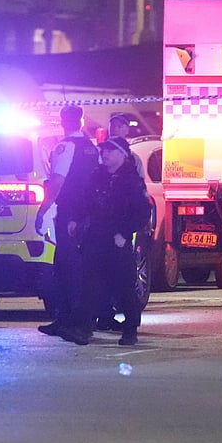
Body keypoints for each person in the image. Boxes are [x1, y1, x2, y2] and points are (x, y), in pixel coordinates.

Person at [62, 136, 151, 346]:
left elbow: (142, 211)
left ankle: (130, 330)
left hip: (117, 240)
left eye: (110, 151)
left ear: (122, 154)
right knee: (90, 284)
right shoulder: (97, 177)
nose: (105, 155)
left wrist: (125, 233)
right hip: (95, 238)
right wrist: (74, 220)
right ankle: (83, 329)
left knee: (124, 286)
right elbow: (83, 201)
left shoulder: (132, 181)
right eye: (103, 151)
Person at [35, 105, 101, 339]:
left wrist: (43, 210)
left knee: (66, 268)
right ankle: (68, 320)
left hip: (69, 213)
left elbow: (57, 181)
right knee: (77, 268)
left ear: (64, 122)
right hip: (88, 215)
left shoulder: (65, 147)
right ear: (81, 122)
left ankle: (71, 321)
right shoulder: (92, 149)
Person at [94, 113, 150, 332]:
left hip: (123, 230)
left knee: (124, 279)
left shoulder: (131, 161)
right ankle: (103, 316)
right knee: (100, 278)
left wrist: (128, 231)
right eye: (112, 126)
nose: (115, 129)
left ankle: (130, 324)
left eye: (120, 126)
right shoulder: (103, 156)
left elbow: (139, 201)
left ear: (127, 130)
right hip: (103, 230)